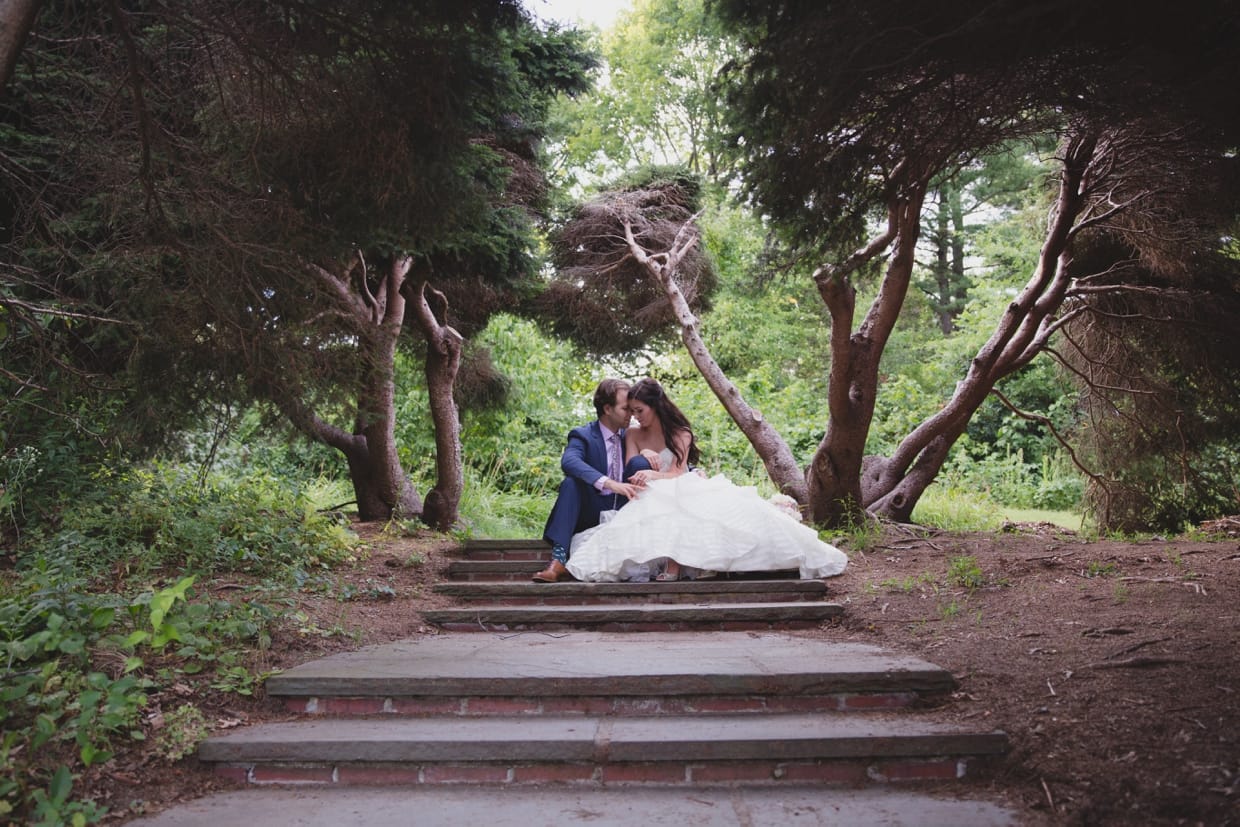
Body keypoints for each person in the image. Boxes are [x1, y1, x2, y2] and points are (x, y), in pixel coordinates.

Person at [564, 378, 849, 582]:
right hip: (648, 490)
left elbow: (677, 472)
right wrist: (647, 457)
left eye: (640, 410)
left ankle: (684, 563)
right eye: (632, 411)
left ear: (655, 405)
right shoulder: (634, 434)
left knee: (696, 502)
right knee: (656, 507)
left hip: (677, 483)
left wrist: (656, 467)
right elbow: (630, 466)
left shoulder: (680, 433)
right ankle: (670, 562)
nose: (636, 417)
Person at [534, 378, 641, 583]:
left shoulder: (633, 435)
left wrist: (692, 470)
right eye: (625, 409)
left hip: (627, 511)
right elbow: (569, 461)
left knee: (642, 463)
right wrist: (609, 483)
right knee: (571, 484)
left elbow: (664, 455)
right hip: (592, 510)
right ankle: (558, 560)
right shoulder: (583, 435)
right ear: (607, 408)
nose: (631, 414)